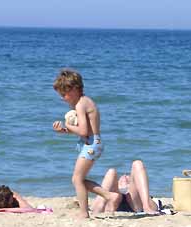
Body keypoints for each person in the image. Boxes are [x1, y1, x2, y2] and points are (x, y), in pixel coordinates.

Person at [52, 69, 119, 218]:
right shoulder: (84, 102)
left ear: (75, 89)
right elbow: (85, 130)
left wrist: (68, 126)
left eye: (64, 94)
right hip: (92, 143)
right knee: (78, 179)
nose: (63, 98)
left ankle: (84, 212)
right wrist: (64, 130)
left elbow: (83, 131)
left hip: (91, 144)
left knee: (77, 179)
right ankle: (109, 196)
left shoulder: (81, 105)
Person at [91, 160, 159, 214]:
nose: (125, 176)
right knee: (111, 172)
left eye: (127, 177)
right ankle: (99, 205)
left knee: (137, 163)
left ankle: (146, 206)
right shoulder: (115, 189)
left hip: (136, 201)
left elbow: (155, 206)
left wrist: (129, 186)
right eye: (122, 177)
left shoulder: (139, 191)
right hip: (113, 199)